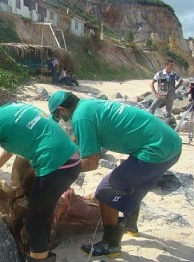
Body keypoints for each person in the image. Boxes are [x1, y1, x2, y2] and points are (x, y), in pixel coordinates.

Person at [48, 91, 182, 257]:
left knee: (105, 190)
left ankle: (111, 244)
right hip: (171, 143)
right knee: (131, 181)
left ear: (62, 110)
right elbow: (79, 138)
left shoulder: (81, 117)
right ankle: (130, 226)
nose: (62, 120)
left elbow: (91, 163)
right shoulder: (88, 105)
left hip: (156, 150)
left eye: (58, 116)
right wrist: (66, 149)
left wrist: (59, 169)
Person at [0, 93, 81, 262]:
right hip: (72, 159)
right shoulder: (12, 107)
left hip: (57, 166)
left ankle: (38, 258)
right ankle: (42, 251)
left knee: (34, 221)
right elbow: (12, 146)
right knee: (41, 210)